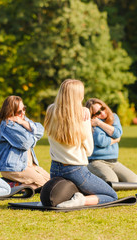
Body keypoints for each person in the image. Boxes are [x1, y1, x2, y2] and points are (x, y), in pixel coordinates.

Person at [44, 79, 118, 207]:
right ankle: (82, 200)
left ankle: (78, 197)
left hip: (55, 169)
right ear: (78, 95)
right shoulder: (82, 114)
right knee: (112, 195)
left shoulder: (51, 111)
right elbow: (89, 150)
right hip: (76, 170)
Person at [0, 96, 50, 190]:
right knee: (44, 185)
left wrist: (24, 123)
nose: (23, 113)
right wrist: (33, 132)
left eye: (24, 109)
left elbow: (41, 129)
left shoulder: (22, 120)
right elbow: (25, 144)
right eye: (19, 112)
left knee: (51, 181)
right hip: (14, 168)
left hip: (29, 165)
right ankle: (11, 186)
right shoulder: (7, 124)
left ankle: (17, 184)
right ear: (10, 112)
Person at [85, 98, 137, 183]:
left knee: (135, 181)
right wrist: (115, 140)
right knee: (112, 181)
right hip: (96, 162)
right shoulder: (91, 123)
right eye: (98, 113)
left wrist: (100, 123)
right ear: (92, 115)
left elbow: (117, 133)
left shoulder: (113, 117)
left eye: (102, 108)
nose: (102, 113)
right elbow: (101, 141)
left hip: (113, 162)